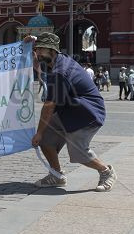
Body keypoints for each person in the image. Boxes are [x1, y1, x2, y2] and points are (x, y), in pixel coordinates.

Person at [28, 33, 117, 191]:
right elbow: (39, 65)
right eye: (37, 49)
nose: (38, 52)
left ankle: (106, 171)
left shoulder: (60, 71)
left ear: (52, 50)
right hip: (68, 111)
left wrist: (39, 132)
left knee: (77, 151)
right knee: (46, 141)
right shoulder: (54, 61)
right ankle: (56, 175)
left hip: (86, 113)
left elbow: (49, 105)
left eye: (41, 49)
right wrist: (31, 44)